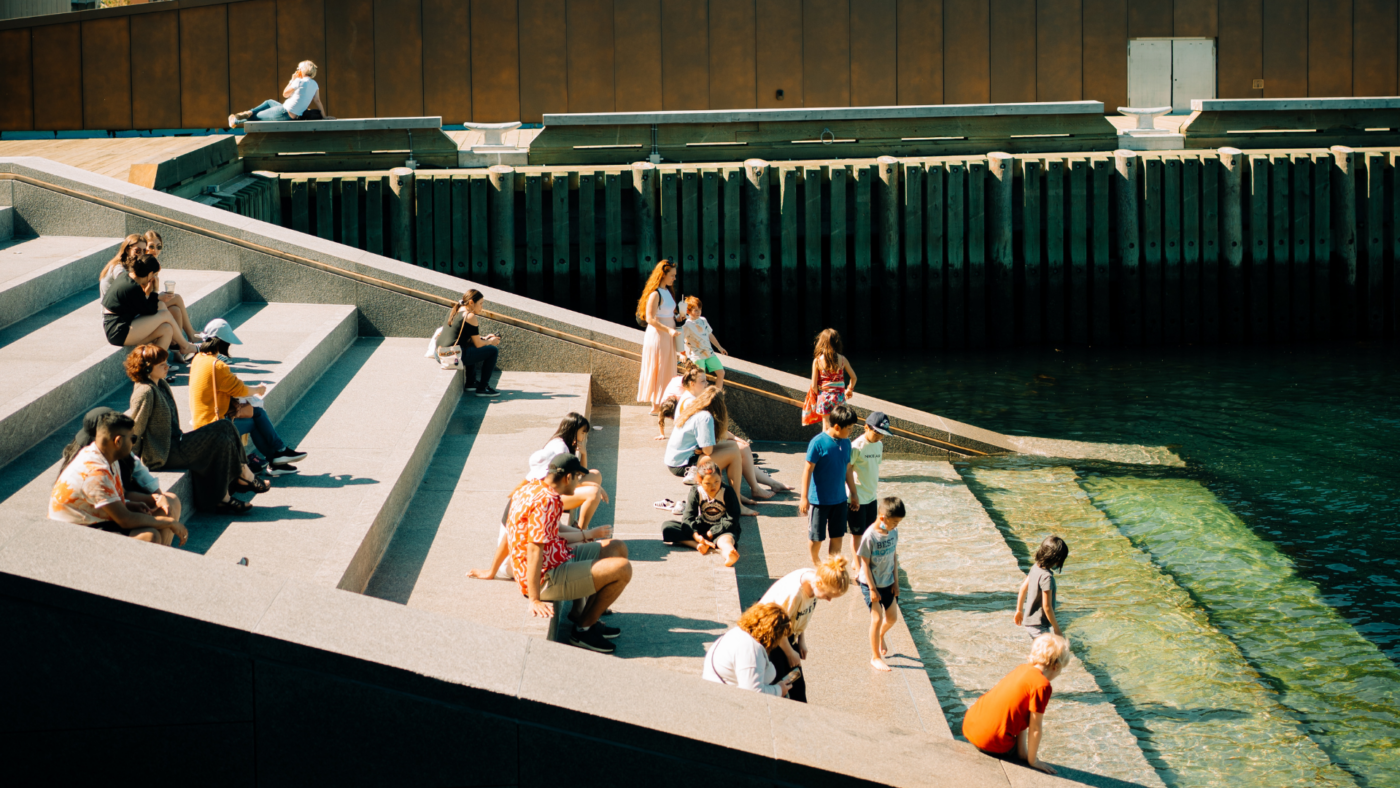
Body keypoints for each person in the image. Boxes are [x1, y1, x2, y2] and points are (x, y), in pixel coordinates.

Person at [471, 454, 633, 654]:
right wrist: (534, 599)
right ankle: (583, 631)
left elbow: (511, 532)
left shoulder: (529, 488)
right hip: (546, 577)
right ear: (568, 477)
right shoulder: (547, 501)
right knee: (622, 569)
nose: (579, 483)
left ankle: (584, 616)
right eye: (578, 478)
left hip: (558, 557)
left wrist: (491, 570)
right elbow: (534, 550)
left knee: (617, 548)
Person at [125, 344, 266, 514]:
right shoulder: (144, 392)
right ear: (147, 368)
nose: (167, 366)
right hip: (163, 453)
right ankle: (224, 497)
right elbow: (134, 430)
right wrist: (130, 467)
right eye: (162, 364)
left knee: (225, 425)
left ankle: (243, 473)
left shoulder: (160, 384)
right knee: (220, 439)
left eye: (166, 362)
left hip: (176, 441)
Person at [50, 411, 188, 546]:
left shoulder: (106, 455)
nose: (134, 444)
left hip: (92, 519)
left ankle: (160, 555)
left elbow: (121, 493)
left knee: (169, 501)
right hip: (70, 533)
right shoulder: (95, 473)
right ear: (118, 441)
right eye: (132, 439)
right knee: (149, 536)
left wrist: (151, 499)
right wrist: (170, 522)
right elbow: (125, 520)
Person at [188, 318, 307, 475]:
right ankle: (278, 455)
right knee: (255, 421)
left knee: (256, 413)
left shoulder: (198, 359)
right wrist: (258, 390)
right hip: (214, 425)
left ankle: (279, 455)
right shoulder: (217, 366)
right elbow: (239, 389)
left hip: (201, 422)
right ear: (223, 343)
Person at [962, 633, 1072, 775]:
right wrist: (1033, 761)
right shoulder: (1042, 685)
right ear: (1056, 667)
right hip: (990, 742)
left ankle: (1020, 752)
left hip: (970, 726)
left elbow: (1018, 713)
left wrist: (1023, 752)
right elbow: (1035, 728)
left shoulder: (1022, 668)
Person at [757, 556, 852, 703]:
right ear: (819, 583)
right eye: (828, 595)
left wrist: (801, 639)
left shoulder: (815, 581)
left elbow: (800, 615)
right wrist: (790, 653)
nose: (829, 600)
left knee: (797, 686)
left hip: (787, 635)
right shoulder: (794, 593)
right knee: (780, 684)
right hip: (770, 637)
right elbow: (775, 626)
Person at [663, 386, 759, 516]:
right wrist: (703, 448)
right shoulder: (705, 417)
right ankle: (736, 504)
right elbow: (708, 451)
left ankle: (736, 495)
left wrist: (705, 447)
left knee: (733, 446)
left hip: (677, 459)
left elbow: (707, 446)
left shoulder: (695, 410)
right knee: (733, 454)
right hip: (683, 465)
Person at [101, 253, 199, 360]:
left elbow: (147, 307)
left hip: (122, 323)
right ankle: (185, 346)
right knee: (165, 314)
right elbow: (151, 310)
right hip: (118, 331)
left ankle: (155, 367)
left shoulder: (127, 277)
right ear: (150, 273)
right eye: (154, 275)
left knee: (166, 328)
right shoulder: (132, 287)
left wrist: (150, 293)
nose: (153, 278)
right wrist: (155, 291)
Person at [525, 413, 609, 532]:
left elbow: (582, 473)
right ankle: (582, 531)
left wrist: (584, 454)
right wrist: (595, 486)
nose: (584, 436)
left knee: (595, 474)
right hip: (550, 496)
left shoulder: (562, 442)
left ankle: (580, 526)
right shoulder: (561, 448)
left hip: (557, 489)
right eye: (583, 432)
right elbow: (564, 482)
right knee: (594, 492)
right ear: (573, 430)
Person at [799, 403, 859, 566]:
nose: (851, 432)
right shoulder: (818, 443)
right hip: (819, 501)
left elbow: (848, 469)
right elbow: (807, 470)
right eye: (849, 428)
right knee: (816, 537)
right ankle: (816, 562)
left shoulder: (846, 443)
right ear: (837, 427)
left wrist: (853, 493)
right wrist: (804, 497)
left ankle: (832, 566)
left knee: (837, 536)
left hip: (839, 499)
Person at [703, 602, 798, 697]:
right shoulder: (750, 649)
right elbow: (752, 692)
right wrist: (779, 690)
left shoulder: (739, 633)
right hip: (724, 697)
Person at [661, 458, 743, 567]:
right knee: (667, 527)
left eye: (716, 482)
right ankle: (698, 545)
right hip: (702, 526)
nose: (713, 486)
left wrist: (710, 534)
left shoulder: (727, 492)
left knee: (725, 541)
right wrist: (697, 536)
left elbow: (732, 518)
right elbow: (688, 518)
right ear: (700, 482)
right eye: (708, 483)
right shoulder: (696, 491)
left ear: (720, 477)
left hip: (723, 528)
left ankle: (729, 554)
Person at [857, 496, 904, 672]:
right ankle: (875, 657)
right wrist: (872, 589)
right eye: (895, 522)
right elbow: (865, 564)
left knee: (892, 618)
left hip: (888, 582)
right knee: (876, 619)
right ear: (883, 518)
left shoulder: (893, 532)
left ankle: (880, 635)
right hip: (871, 583)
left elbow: (894, 557)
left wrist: (896, 582)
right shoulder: (870, 536)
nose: (896, 525)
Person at [636, 260, 681, 414]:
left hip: (668, 333)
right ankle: (656, 405)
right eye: (672, 275)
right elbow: (649, 318)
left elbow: (667, 313)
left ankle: (663, 402)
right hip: (659, 334)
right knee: (659, 366)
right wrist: (668, 330)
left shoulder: (667, 291)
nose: (674, 278)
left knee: (667, 366)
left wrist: (678, 318)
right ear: (663, 275)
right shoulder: (655, 294)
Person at [437, 289, 502, 396]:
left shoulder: (455, 310)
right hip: (452, 356)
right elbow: (478, 344)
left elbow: (464, 336)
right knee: (493, 350)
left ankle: (471, 383)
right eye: (480, 304)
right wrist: (490, 342)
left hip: (439, 353)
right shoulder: (470, 316)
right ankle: (483, 388)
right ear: (471, 302)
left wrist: (485, 338)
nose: (482, 307)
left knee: (470, 346)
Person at [847, 411, 892, 561]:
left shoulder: (879, 445)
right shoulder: (857, 446)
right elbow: (847, 469)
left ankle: (865, 559)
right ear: (866, 427)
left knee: (869, 531)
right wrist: (853, 494)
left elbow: (873, 468)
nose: (879, 436)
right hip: (857, 497)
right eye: (876, 432)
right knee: (857, 533)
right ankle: (857, 563)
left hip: (871, 496)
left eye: (882, 434)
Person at [140, 230, 199, 346]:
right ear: (145, 247)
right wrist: (159, 296)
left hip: (150, 301)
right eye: (151, 246)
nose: (155, 250)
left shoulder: (154, 263)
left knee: (176, 310)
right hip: (142, 306)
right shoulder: (144, 264)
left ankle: (177, 350)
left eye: (158, 246)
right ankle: (191, 334)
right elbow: (143, 295)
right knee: (177, 298)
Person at [228, 60, 330, 125]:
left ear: (302, 70)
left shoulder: (299, 81)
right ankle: (249, 112)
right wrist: (324, 116)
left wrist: (292, 80)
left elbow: (285, 94)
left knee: (257, 116)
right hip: (293, 114)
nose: (297, 70)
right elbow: (317, 100)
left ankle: (237, 120)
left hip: (284, 112)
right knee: (269, 102)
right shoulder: (315, 84)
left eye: (298, 68)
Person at [1015, 535, 1069, 640]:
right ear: (1057, 559)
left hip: (1029, 622)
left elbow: (1023, 588)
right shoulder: (1047, 578)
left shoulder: (1035, 567)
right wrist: (1057, 629)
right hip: (1039, 626)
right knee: (1049, 649)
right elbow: (1047, 606)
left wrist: (1019, 610)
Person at [801, 328, 857, 426]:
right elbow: (854, 377)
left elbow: (814, 386)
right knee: (839, 425)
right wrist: (849, 390)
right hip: (839, 397)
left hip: (824, 397)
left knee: (826, 427)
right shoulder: (842, 359)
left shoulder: (817, 361)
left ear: (821, 342)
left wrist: (819, 395)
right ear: (837, 342)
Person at [680, 296, 728, 391]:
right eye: (695, 310)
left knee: (721, 373)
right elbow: (680, 339)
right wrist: (682, 354)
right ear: (688, 311)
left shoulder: (703, 320)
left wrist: (719, 347)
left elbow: (710, 335)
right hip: (697, 356)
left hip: (709, 353)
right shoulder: (687, 325)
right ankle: (701, 397)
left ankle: (716, 396)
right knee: (701, 379)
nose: (698, 312)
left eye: (700, 310)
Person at [97, 234, 146, 299]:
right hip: (113, 304)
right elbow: (126, 288)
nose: (142, 254)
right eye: (138, 251)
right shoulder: (118, 267)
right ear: (127, 249)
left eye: (144, 251)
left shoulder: (130, 265)